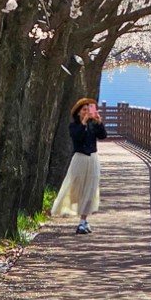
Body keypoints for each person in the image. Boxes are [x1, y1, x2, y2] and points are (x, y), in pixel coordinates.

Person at [51, 97, 107, 233]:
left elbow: (103, 136)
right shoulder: (74, 126)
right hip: (80, 158)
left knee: (90, 189)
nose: (86, 112)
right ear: (78, 112)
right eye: (84, 110)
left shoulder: (93, 124)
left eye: (89, 110)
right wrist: (83, 123)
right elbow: (77, 137)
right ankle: (81, 219)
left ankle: (83, 221)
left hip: (92, 158)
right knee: (77, 188)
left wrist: (99, 123)